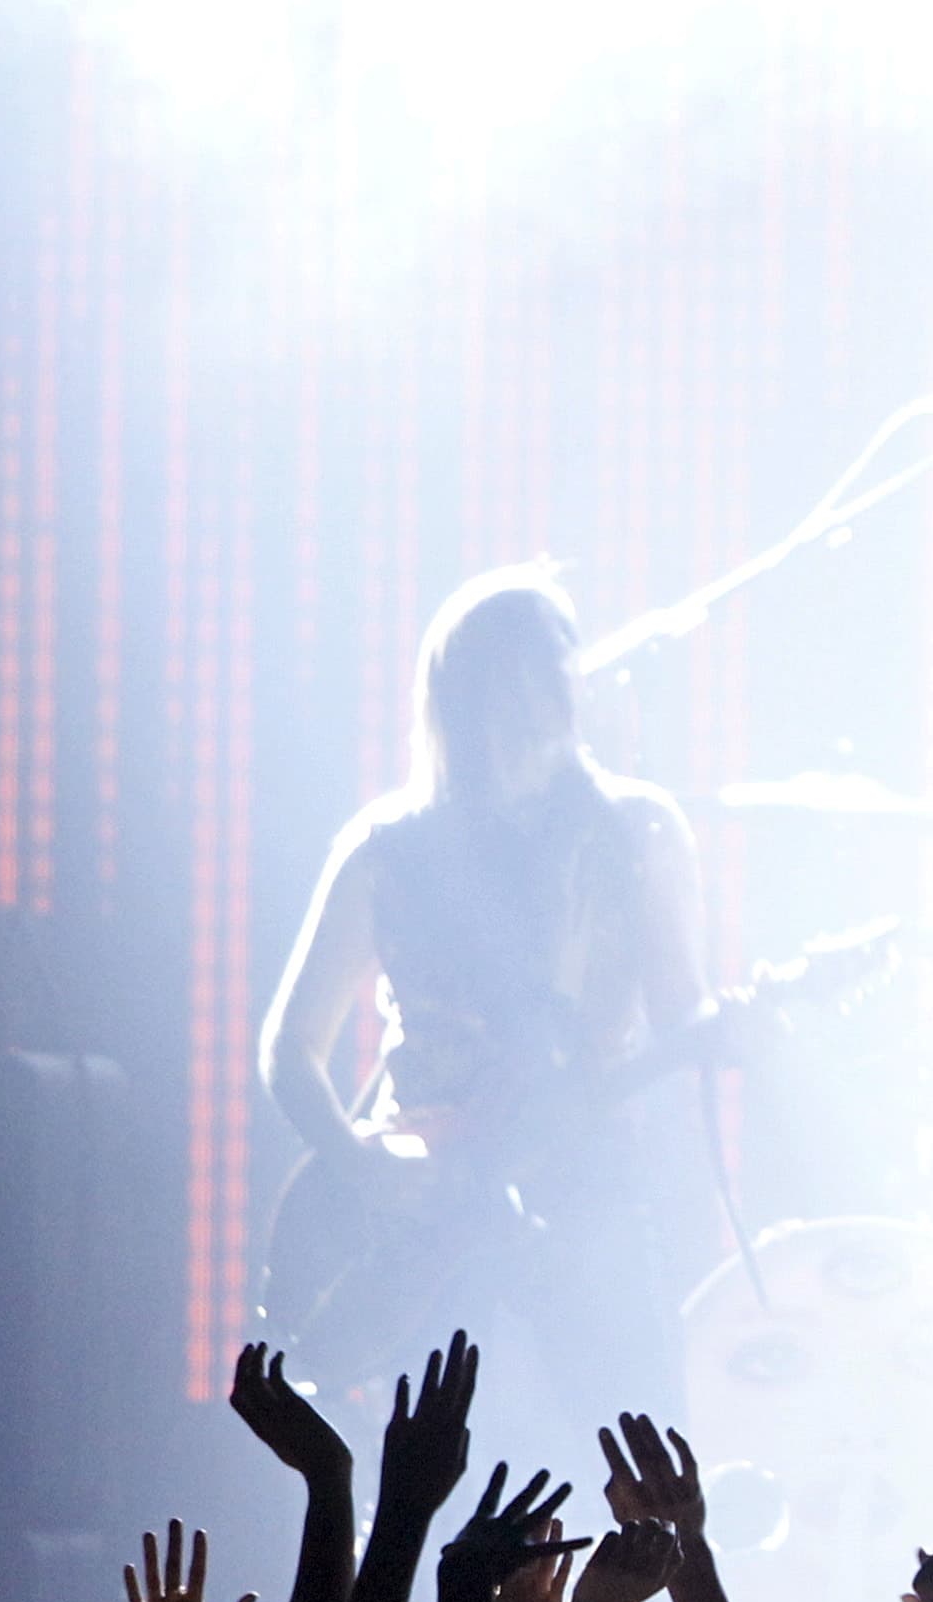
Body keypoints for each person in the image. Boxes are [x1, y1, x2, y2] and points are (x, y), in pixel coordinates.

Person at [255, 565, 721, 1424]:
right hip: (428, 1209)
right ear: (460, 697)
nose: (532, 702)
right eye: (507, 679)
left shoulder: (634, 832)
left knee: (637, 1449)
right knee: (425, 1465)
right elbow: (291, 1047)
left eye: (549, 671)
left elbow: (683, 1013)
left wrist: (735, 1031)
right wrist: (358, 1161)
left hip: (585, 1187)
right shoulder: (389, 849)